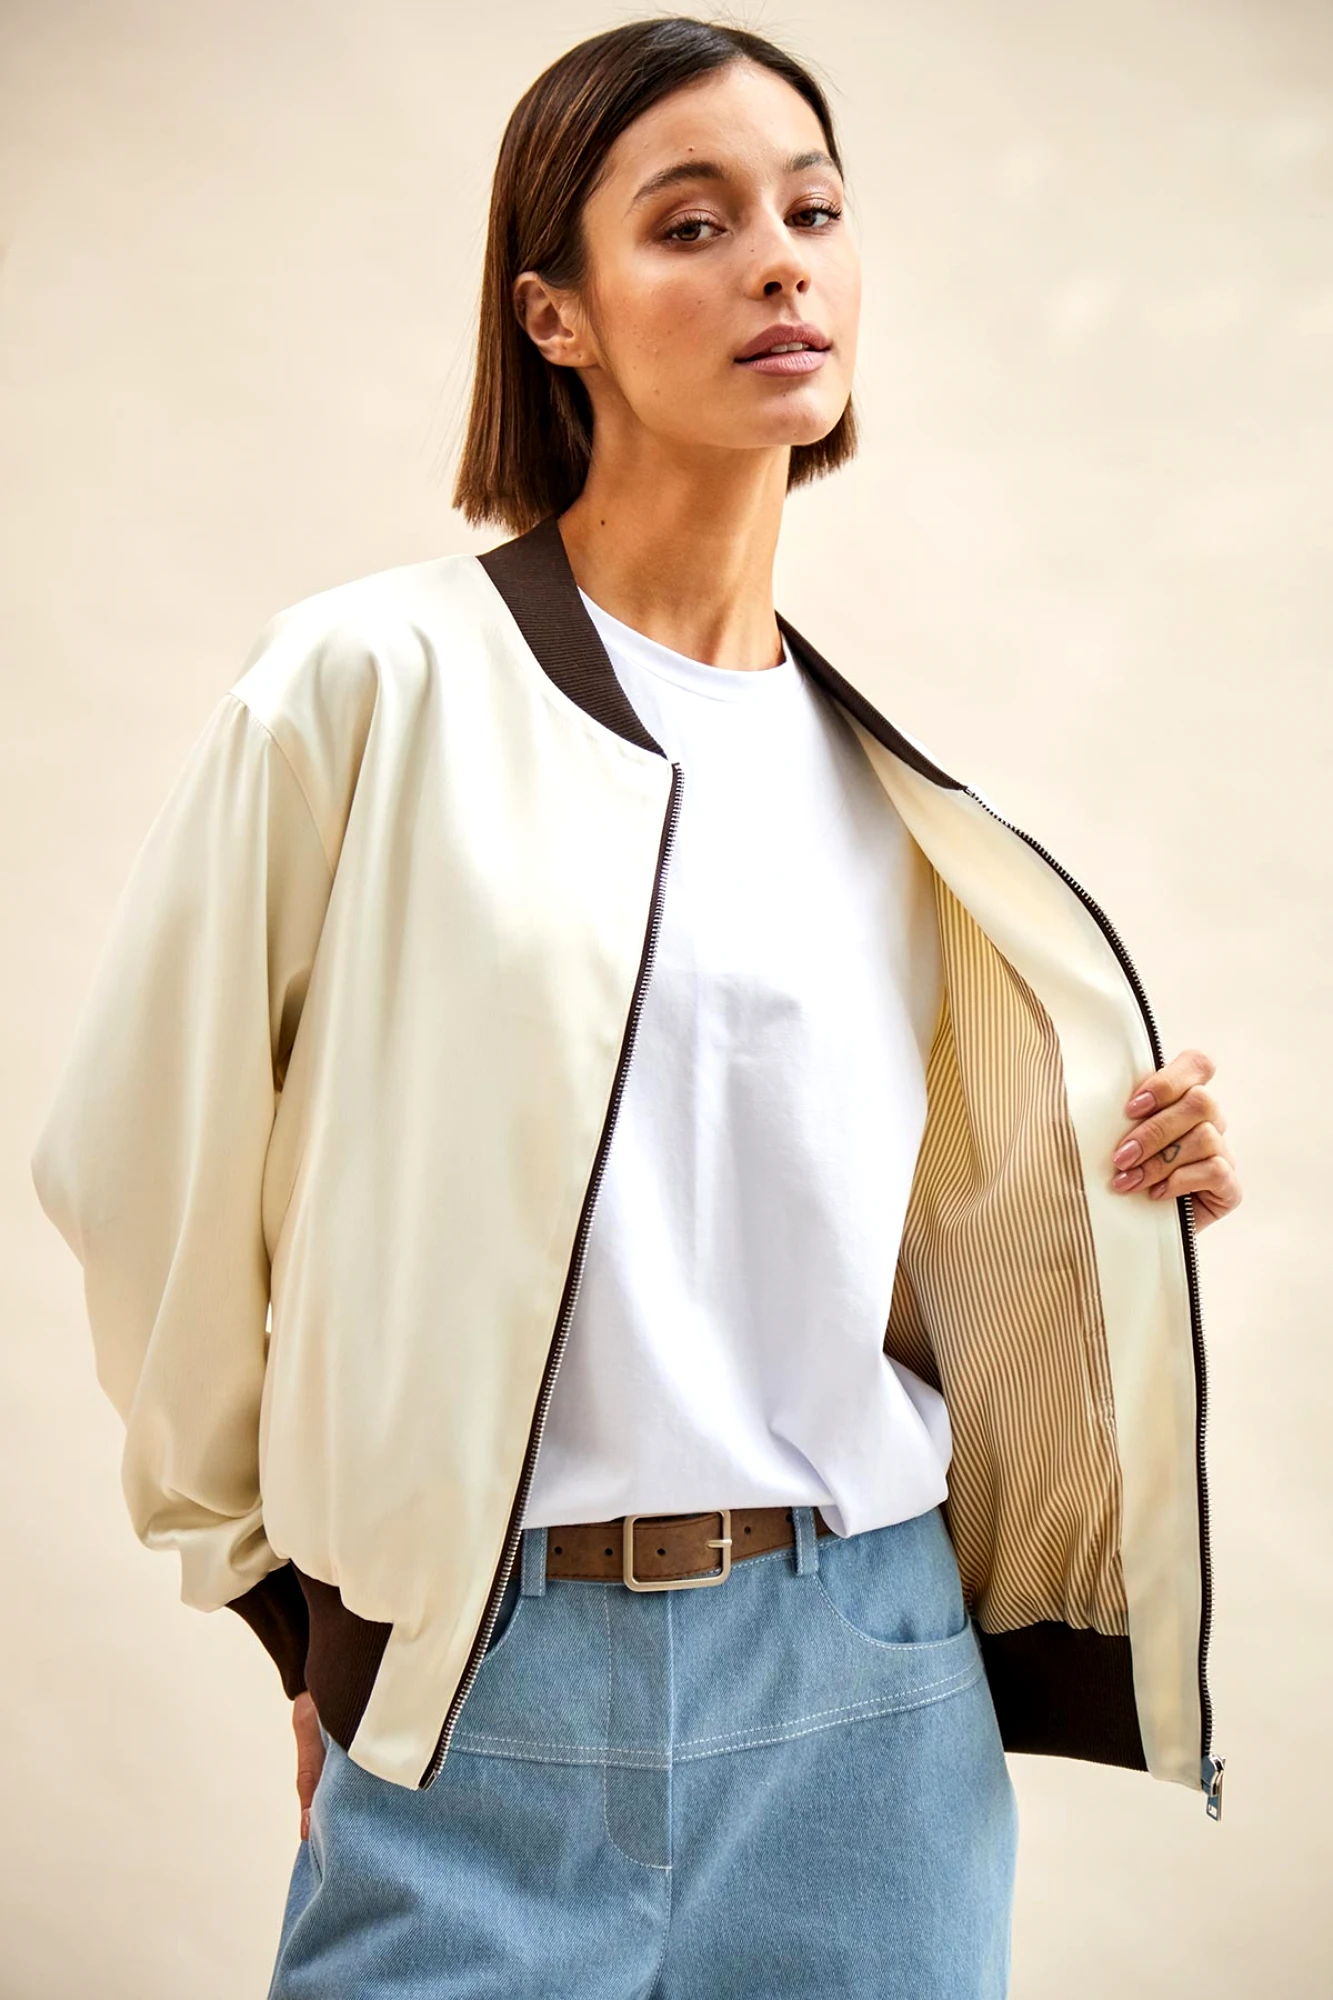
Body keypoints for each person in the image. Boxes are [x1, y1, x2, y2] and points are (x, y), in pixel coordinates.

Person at [29, 15, 1242, 1997]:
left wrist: (1113, 1173)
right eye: (692, 223)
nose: (779, 264)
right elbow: (139, 1171)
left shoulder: (896, 805)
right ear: (556, 315)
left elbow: (889, 1240)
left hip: (871, 1691)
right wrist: (293, 1617)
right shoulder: (366, 689)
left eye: (813, 212)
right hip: (487, 1692)